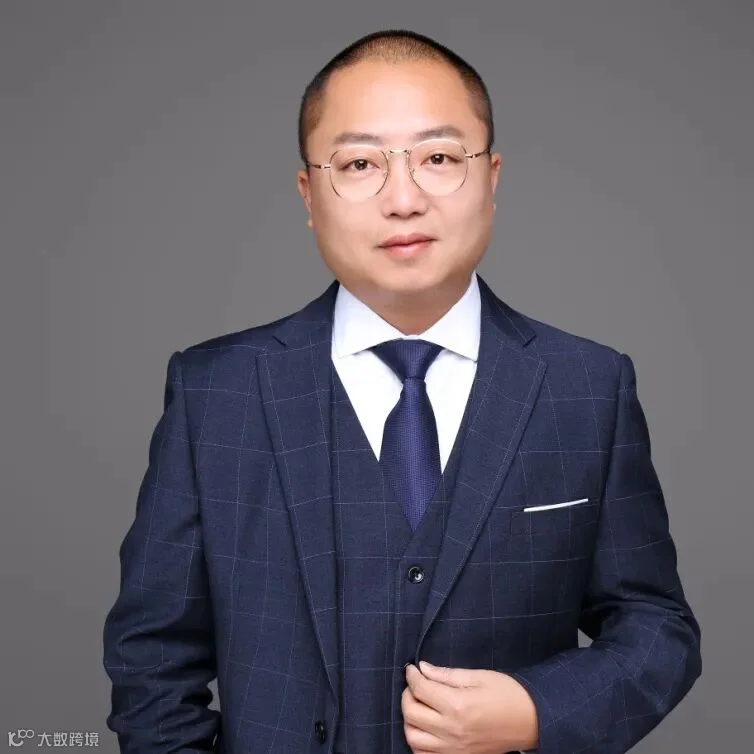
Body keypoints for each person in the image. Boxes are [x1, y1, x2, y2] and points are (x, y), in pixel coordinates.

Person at [102, 28, 701, 754]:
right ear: (309, 194)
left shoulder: (588, 388)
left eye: (439, 158)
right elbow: (153, 660)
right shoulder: (216, 393)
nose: (404, 199)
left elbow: (656, 626)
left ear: (492, 177)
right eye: (359, 163)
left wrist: (538, 710)